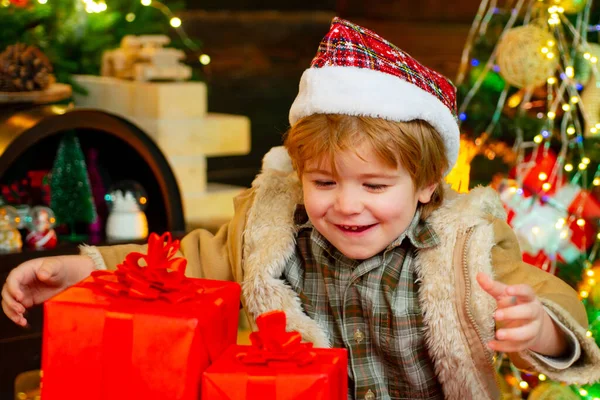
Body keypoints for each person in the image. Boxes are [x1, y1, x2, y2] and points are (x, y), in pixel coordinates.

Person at [3, 17, 600, 400]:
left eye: (373, 186)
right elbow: (179, 264)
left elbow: (547, 297)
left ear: (423, 184)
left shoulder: (467, 244)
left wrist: (541, 329)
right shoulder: (269, 227)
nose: (346, 206)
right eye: (323, 182)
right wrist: (83, 270)